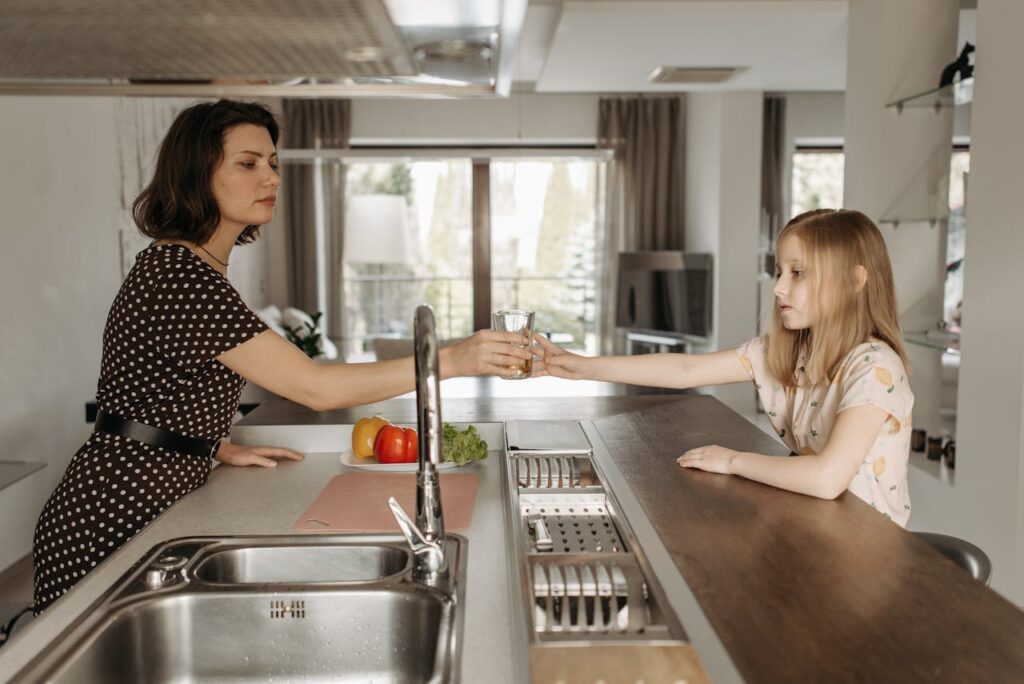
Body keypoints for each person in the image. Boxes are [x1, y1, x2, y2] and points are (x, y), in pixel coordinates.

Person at [32, 99, 532, 614]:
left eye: (272, 163)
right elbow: (317, 389)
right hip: (113, 512)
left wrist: (208, 445)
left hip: (142, 495)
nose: (269, 178)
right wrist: (449, 359)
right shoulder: (180, 276)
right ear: (197, 174)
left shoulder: (189, 267)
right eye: (247, 164)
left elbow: (156, 395)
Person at [537, 209, 914, 526]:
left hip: (868, 548)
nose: (778, 288)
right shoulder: (792, 352)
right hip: (820, 527)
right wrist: (582, 367)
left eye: (798, 273)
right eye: (779, 272)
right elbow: (686, 370)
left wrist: (732, 460)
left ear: (854, 281)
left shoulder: (874, 368)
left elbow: (828, 478)